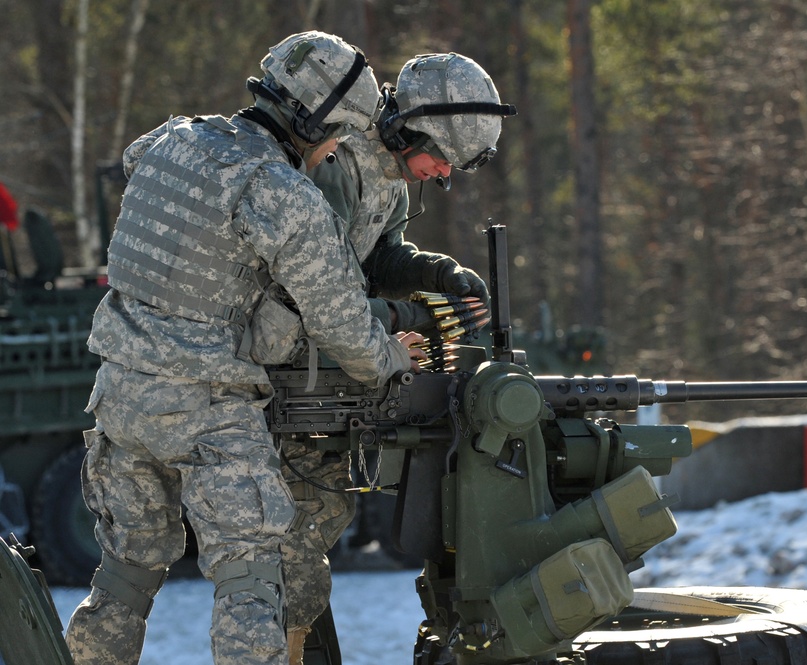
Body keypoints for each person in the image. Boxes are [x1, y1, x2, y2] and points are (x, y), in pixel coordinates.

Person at [63, 31, 426, 665]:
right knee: (253, 584)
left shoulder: (172, 139)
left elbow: (133, 160)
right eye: (339, 136)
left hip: (118, 397)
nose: (338, 150)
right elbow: (344, 327)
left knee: (124, 578)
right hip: (208, 409)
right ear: (313, 121)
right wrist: (393, 356)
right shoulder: (285, 196)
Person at [268, 51, 516, 661]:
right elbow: (316, 295)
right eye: (440, 160)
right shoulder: (336, 163)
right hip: (289, 372)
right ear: (407, 129)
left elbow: (378, 261)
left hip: (331, 367)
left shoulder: (388, 177)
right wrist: (410, 316)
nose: (440, 176)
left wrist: (437, 275)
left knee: (315, 530)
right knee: (292, 547)